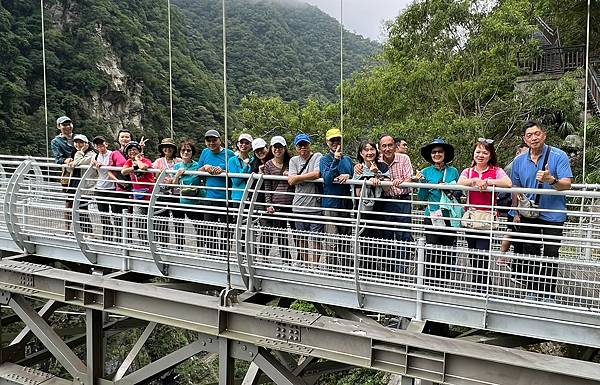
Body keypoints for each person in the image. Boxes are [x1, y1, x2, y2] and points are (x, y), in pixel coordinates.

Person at [510, 121, 573, 302]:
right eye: (529, 135)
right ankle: (533, 290)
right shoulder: (519, 160)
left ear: (544, 135)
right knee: (530, 251)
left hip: (554, 212)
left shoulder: (558, 156)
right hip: (529, 214)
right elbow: (516, 186)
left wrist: (551, 180)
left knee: (551, 252)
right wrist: (517, 211)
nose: (533, 138)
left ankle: (547, 293)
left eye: (537, 133)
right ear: (524, 139)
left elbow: (567, 184)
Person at [458, 139, 512, 292]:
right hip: (472, 217)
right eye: (478, 152)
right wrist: (475, 180)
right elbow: (460, 181)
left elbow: (508, 183)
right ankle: (478, 284)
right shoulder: (468, 171)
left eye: (485, 152)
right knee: (473, 252)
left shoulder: (496, 170)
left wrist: (487, 181)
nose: (481, 155)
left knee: (482, 252)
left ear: (490, 155)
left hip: (487, 217)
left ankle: (483, 287)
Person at [416, 138, 461, 287]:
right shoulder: (425, 172)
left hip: (449, 216)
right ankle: (430, 283)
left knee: (448, 251)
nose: (437, 154)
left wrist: (446, 187)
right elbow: (422, 198)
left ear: (445, 153)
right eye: (434, 152)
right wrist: (423, 184)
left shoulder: (453, 171)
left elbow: (459, 193)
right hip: (432, 215)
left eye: (440, 151)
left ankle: (444, 284)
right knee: (432, 250)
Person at [353, 141, 390, 273]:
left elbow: (387, 188)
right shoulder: (358, 168)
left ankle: (381, 272)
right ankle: (367, 271)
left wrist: (378, 174)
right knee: (364, 241)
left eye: (372, 149)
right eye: (366, 150)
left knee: (380, 241)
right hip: (363, 210)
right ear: (361, 153)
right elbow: (357, 192)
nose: (369, 153)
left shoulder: (383, 166)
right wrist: (367, 181)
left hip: (380, 208)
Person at [320, 128, 354, 268]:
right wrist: (335, 160)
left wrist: (349, 176)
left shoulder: (348, 160)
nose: (336, 143)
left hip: (346, 204)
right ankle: (332, 271)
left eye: (338, 139)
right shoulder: (324, 159)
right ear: (327, 142)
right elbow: (327, 178)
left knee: (345, 241)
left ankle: (345, 270)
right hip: (331, 205)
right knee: (332, 241)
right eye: (332, 140)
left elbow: (353, 175)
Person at [288, 133, 323, 268]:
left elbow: (317, 174)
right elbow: (290, 180)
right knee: (301, 238)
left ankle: (315, 266)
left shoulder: (317, 156)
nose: (303, 147)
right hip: (298, 206)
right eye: (300, 145)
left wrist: (298, 177)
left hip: (315, 206)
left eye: (305, 144)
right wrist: (299, 178)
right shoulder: (293, 161)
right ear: (296, 147)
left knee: (316, 238)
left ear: (309, 145)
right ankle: (307, 265)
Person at [262, 136, 295, 265]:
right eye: (275, 147)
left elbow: (297, 180)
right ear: (271, 148)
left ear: (285, 148)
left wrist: (292, 175)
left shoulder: (292, 162)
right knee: (281, 235)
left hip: (292, 202)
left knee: (297, 233)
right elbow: (267, 185)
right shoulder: (268, 164)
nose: (277, 150)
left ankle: (299, 261)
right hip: (277, 203)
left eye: (280, 147)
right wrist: (268, 204)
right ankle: (286, 261)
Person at [198, 129, 236, 224]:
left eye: (214, 140)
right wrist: (205, 167)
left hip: (226, 197)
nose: (211, 143)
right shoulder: (205, 152)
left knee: (226, 231)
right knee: (209, 229)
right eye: (209, 141)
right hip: (209, 197)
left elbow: (235, 171)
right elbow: (198, 171)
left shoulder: (229, 153)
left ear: (220, 140)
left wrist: (223, 171)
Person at [498, 143, 529, 255]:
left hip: (516, 205)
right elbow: (514, 187)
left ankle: (503, 256)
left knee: (512, 232)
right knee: (513, 233)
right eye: (525, 152)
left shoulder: (517, 165)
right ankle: (502, 256)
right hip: (513, 205)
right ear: (518, 152)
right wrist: (515, 210)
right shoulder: (514, 166)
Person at [91, 136, 123, 241]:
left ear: (106, 144)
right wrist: (94, 162)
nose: (100, 146)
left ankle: (119, 238)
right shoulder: (95, 156)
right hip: (100, 188)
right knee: (104, 215)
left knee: (117, 214)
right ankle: (107, 238)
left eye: (101, 144)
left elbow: (118, 164)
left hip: (112, 189)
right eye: (97, 145)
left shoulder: (112, 154)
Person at [153, 138, 184, 248]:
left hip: (176, 195)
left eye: (170, 147)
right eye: (165, 147)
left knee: (179, 222)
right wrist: (159, 174)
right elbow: (154, 177)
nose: (167, 149)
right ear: (162, 149)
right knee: (162, 222)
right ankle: (164, 246)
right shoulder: (158, 162)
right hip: (162, 195)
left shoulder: (180, 161)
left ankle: (180, 247)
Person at [174, 139, 204, 249]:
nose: (185, 152)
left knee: (200, 227)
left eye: (188, 150)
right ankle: (180, 249)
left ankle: (200, 250)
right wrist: (177, 175)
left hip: (197, 200)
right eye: (183, 150)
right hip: (184, 201)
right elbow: (174, 184)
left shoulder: (197, 166)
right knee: (180, 225)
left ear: (192, 152)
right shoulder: (177, 166)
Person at [122, 141, 155, 242]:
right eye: (130, 150)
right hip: (137, 193)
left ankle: (152, 242)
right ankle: (143, 242)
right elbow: (123, 171)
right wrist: (134, 166)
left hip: (149, 193)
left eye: (134, 149)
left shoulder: (146, 160)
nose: (132, 151)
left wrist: (137, 160)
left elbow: (143, 167)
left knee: (150, 218)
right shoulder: (128, 162)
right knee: (139, 219)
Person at [65, 134, 97, 234]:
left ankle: (88, 233)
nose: (78, 144)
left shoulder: (92, 155)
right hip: (74, 183)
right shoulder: (74, 153)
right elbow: (69, 168)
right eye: (76, 142)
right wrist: (70, 162)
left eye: (81, 142)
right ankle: (74, 231)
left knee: (82, 208)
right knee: (71, 207)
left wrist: (80, 153)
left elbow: (78, 162)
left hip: (84, 185)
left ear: (87, 144)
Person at [51, 116, 75, 231]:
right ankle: (68, 229)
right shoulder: (56, 141)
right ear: (59, 126)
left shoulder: (78, 138)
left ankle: (85, 230)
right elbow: (58, 158)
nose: (67, 127)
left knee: (83, 201)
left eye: (69, 124)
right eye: (64, 125)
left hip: (81, 173)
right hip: (67, 174)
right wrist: (66, 160)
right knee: (69, 201)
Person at [229, 133, 254, 205]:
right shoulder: (232, 160)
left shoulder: (253, 160)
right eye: (241, 142)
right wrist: (245, 166)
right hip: (238, 197)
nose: (244, 145)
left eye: (247, 143)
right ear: (237, 144)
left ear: (250, 145)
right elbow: (236, 181)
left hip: (251, 197)